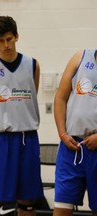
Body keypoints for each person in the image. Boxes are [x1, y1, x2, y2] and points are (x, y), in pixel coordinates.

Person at [0, 16, 43, 216]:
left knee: (27, 201)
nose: (6, 45)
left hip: (27, 138)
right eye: (1, 40)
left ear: (16, 37)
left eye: (9, 39)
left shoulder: (32, 65)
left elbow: (30, 97)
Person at [53, 49, 97, 216]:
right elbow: (60, 98)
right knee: (61, 209)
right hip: (72, 148)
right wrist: (62, 134)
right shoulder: (80, 57)